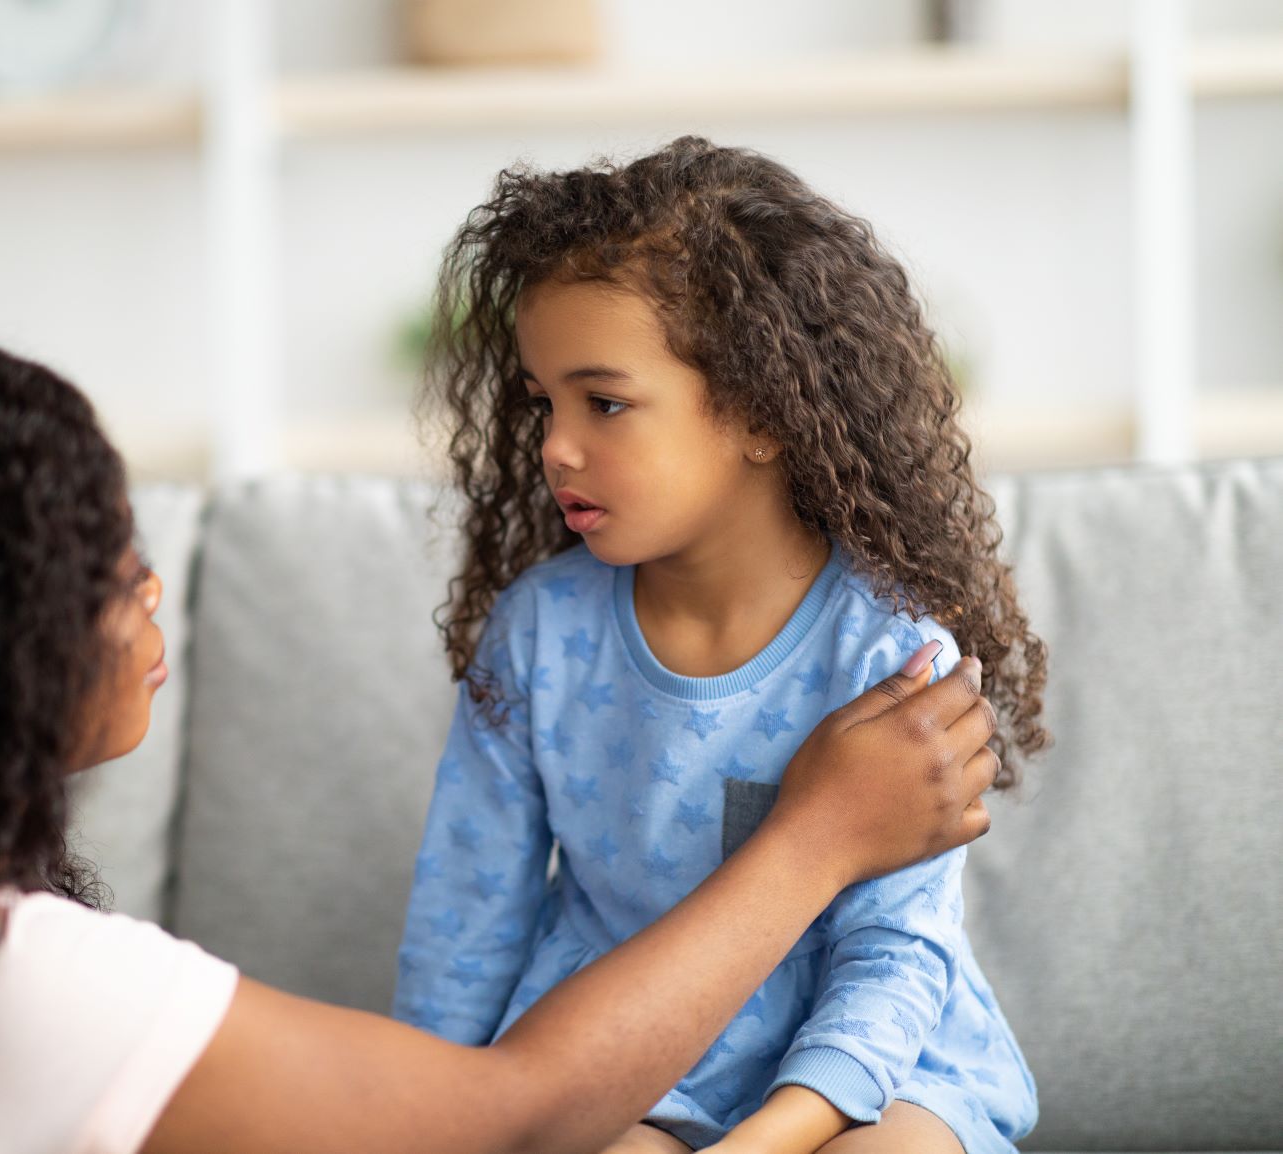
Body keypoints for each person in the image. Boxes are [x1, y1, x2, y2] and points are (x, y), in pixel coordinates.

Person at [0, 341, 1000, 1154]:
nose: (147, 584)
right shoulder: (11, 980)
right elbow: (508, 1117)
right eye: (101, 559)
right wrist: (820, 831)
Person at [394, 137, 1049, 1154]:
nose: (556, 445)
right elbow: (465, 923)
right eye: (543, 403)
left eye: (604, 402)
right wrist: (421, 1120)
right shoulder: (537, 634)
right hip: (625, 1057)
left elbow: (892, 957)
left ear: (761, 413)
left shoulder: (892, 656)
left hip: (875, 1071)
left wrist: (765, 1139)